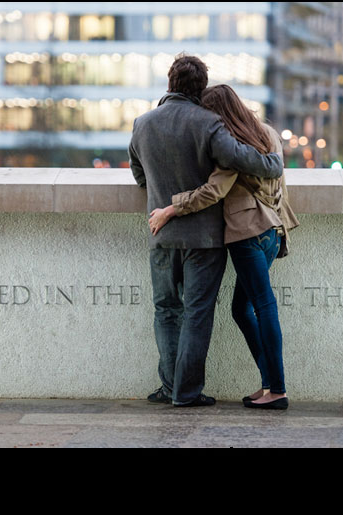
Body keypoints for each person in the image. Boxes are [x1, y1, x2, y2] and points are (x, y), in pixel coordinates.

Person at [129, 55, 284, 407]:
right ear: (201, 87)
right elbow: (241, 159)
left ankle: (169, 387)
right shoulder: (209, 124)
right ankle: (186, 393)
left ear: (169, 82)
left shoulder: (142, 124)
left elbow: (139, 175)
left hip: (161, 233)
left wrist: (160, 199)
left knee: (166, 310)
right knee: (198, 313)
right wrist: (273, 163)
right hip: (205, 238)